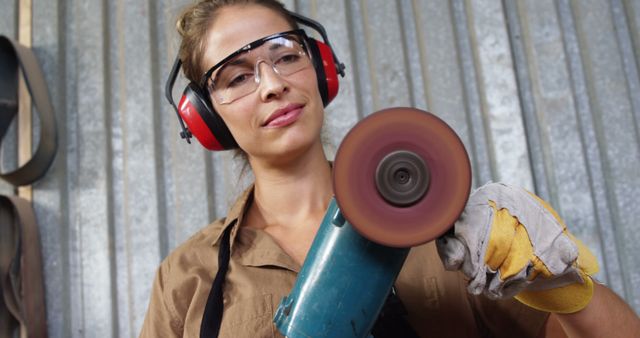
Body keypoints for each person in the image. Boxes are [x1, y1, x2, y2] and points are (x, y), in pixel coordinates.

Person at [139, 1, 640, 337]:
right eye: (237, 77)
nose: (272, 84)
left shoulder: (446, 223)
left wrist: (555, 282)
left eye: (285, 55)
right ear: (205, 118)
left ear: (322, 68)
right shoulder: (188, 278)